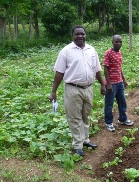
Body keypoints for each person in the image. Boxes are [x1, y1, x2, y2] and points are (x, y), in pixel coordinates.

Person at [48, 25, 106, 157]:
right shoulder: (66, 51)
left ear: (86, 35)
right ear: (72, 36)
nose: (80, 36)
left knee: (86, 115)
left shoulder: (91, 50)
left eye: (82, 34)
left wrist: (102, 84)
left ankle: (85, 140)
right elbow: (59, 72)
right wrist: (53, 92)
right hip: (73, 89)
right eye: (77, 34)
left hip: (89, 88)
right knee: (74, 117)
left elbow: (96, 70)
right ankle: (77, 145)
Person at [103, 35, 134, 132]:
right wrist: (108, 84)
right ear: (112, 42)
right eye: (116, 42)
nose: (118, 44)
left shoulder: (120, 52)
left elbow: (119, 68)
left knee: (122, 101)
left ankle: (122, 119)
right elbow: (105, 69)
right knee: (109, 104)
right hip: (111, 83)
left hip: (119, 82)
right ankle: (108, 122)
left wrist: (123, 80)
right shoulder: (108, 53)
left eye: (120, 42)